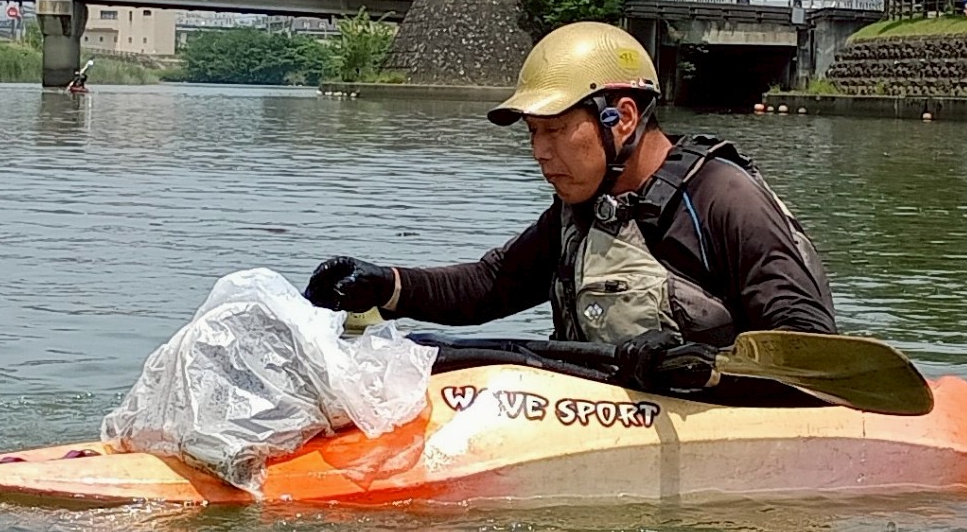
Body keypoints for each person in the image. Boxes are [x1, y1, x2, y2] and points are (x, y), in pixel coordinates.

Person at [304, 21, 836, 395]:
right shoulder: (580, 209)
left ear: (622, 118)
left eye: (555, 130)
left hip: (714, 426)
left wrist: (704, 368)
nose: (540, 152)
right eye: (533, 133)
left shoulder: (723, 197)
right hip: (600, 415)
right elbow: (491, 285)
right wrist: (388, 287)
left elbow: (811, 345)